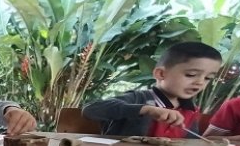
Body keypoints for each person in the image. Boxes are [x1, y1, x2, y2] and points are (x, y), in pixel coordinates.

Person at [82, 42, 222, 137]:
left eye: (208, 78)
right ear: (161, 74)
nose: (200, 82)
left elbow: (190, 145)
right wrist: (146, 110)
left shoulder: (190, 110)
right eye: (191, 75)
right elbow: (91, 110)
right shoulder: (139, 99)